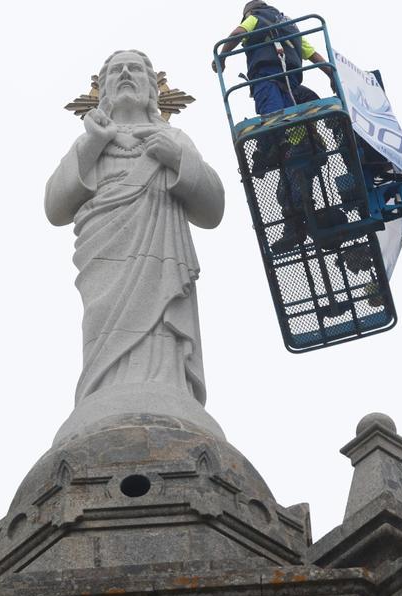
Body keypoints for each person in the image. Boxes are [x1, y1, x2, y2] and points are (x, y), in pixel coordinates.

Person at [45, 50, 224, 414]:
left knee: (160, 329)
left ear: (153, 88)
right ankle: (103, 396)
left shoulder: (173, 137)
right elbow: (54, 207)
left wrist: (177, 159)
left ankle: (167, 392)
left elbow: (213, 209)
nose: (126, 72)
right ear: (104, 90)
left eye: (137, 69)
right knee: (105, 333)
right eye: (115, 70)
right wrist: (94, 143)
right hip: (104, 263)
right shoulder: (90, 141)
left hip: (161, 262)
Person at [214, 2, 341, 252]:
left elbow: (238, 34)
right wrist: (331, 76)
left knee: (271, 118)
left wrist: (221, 57)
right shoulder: (289, 27)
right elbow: (314, 56)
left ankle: (271, 150)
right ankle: (299, 225)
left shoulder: (255, 18)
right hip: (299, 126)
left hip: (269, 81)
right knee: (291, 184)